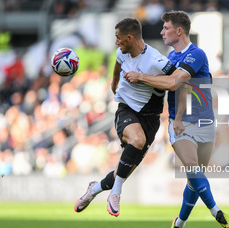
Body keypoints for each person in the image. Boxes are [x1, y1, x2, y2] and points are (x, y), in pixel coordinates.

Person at [123, 11, 229, 228]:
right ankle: (217, 212)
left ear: (179, 31)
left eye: (166, 28)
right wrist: (174, 116)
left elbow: (177, 83)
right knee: (192, 167)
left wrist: (141, 76)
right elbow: (177, 87)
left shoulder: (196, 54)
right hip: (180, 124)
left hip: (204, 122)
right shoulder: (170, 56)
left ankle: (179, 224)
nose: (162, 32)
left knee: (194, 180)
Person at [74, 18, 176, 216]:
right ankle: (116, 194)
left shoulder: (156, 60)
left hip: (151, 119)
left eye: (118, 38)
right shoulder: (122, 52)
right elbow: (118, 63)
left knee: (122, 171)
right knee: (137, 140)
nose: (116, 43)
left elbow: (174, 82)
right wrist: (113, 83)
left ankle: (93, 189)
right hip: (126, 110)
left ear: (130, 37)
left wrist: (142, 77)